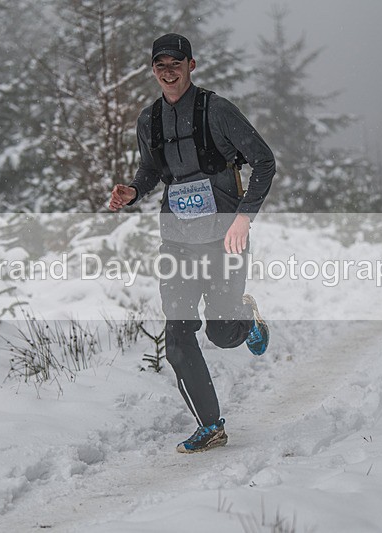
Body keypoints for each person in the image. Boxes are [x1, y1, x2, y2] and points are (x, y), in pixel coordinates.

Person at [108, 33, 275, 453]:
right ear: (153, 70)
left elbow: (264, 160)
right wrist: (132, 190)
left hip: (224, 239)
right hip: (177, 242)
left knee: (220, 332)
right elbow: (151, 170)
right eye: (160, 65)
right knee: (178, 335)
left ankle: (246, 321)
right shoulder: (148, 120)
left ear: (191, 65)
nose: (168, 72)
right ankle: (211, 426)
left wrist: (243, 217)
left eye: (175, 63)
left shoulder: (216, 110)